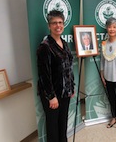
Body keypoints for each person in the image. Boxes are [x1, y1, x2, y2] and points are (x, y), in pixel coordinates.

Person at [37, 10, 75, 142]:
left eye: (60, 22)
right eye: (54, 23)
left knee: (62, 123)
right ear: (49, 26)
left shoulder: (64, 43)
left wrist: (72, 87)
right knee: (53, 127)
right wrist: (51, 97)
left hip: (65, 92)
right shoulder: (45, 47)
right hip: (52, 94)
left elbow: (68, 68)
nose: (58, 25)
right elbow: (44, 75)